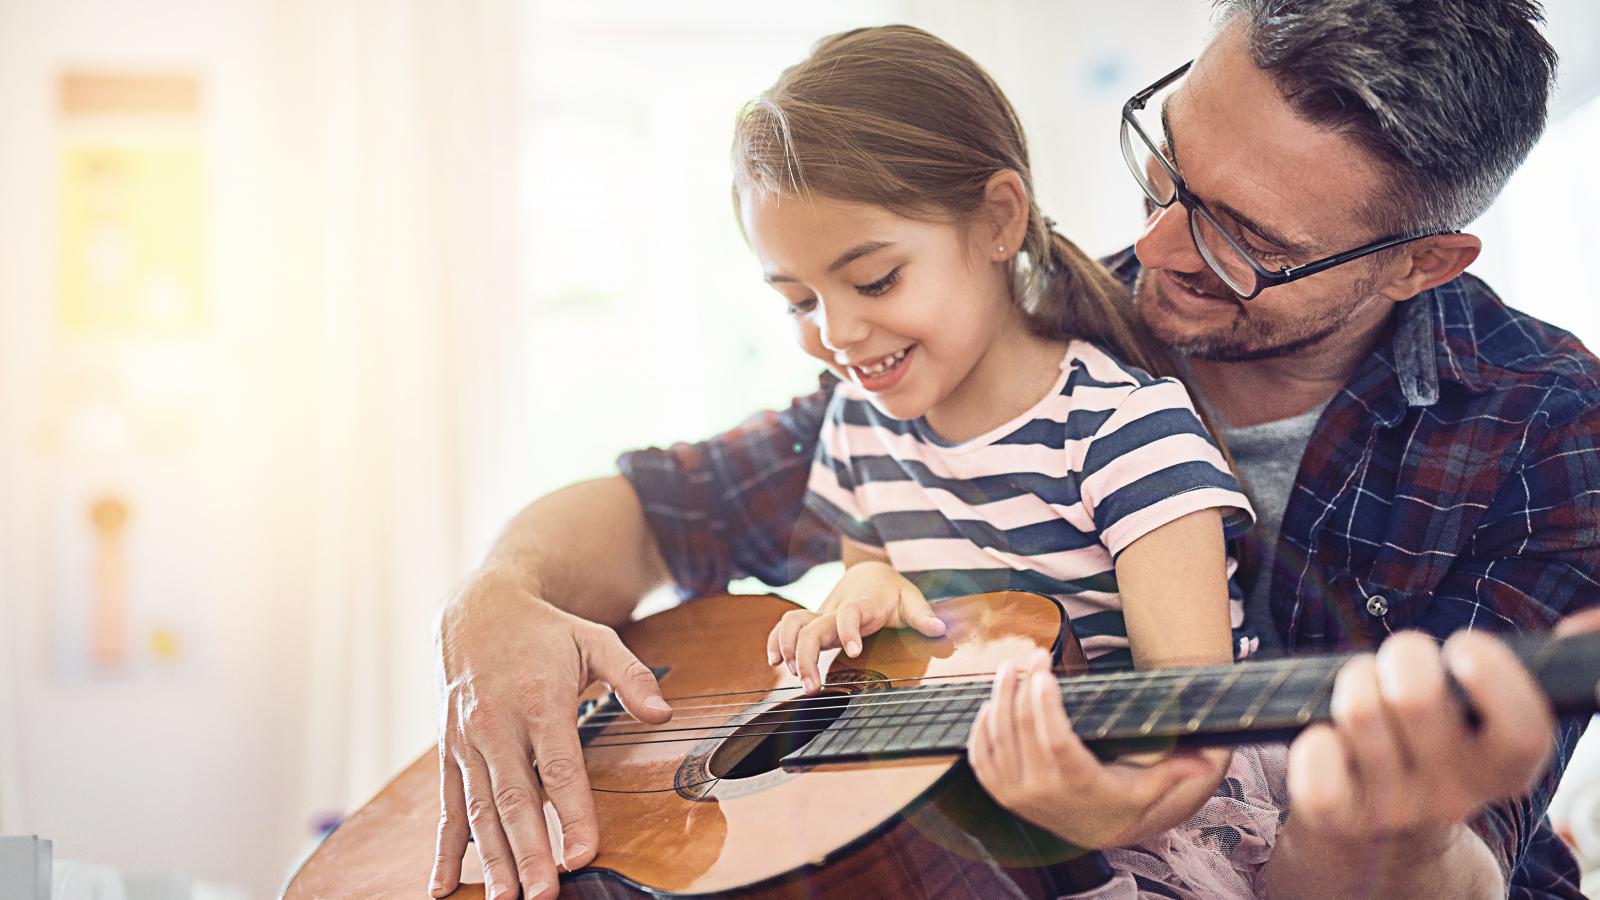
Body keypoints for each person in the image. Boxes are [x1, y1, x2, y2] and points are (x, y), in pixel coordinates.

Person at [429, 1, 1600, 898]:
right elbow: (656, 507)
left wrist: (1365, 834)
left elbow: (1454, 861)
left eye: (1244, 237)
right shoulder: (1020, 330)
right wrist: (499, 601)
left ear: (1419, 264)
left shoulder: (1550, 434)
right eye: (1166, 162)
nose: (1154, 242)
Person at [735, 26, 1277, 894]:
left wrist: (1095, 808)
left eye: (873, 281)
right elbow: (889, 649)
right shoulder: (857, 423)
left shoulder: (1126, 433)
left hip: (1148, 816)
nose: (835, 334)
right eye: (798, 299)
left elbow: (1189, 728)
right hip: (963, 805)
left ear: (998, 220)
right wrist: (864, 594)